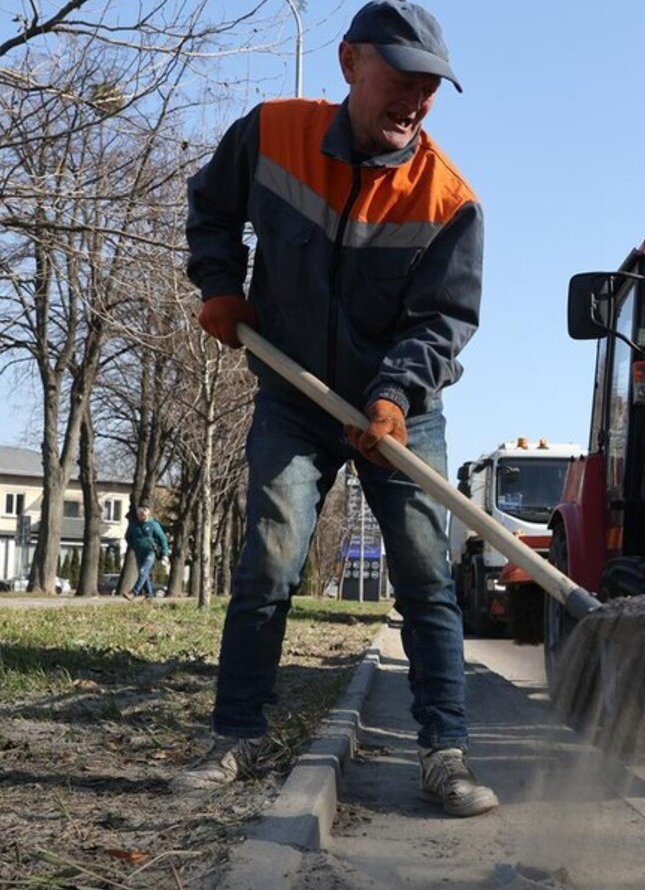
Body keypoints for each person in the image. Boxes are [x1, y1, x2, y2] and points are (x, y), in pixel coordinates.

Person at [177, 1, 493, 816]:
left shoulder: (448, 201)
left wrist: (390, 398)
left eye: (430, 88)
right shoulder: (272, 134)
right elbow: (213, 208)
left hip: (400, 412)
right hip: (296, 395)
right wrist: (219, 284)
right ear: (351, 63)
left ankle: (444, 751)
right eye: (402, 79)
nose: (415, 102)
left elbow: (442, 323)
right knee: (269, 564)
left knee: (426, 577)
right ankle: (237, 736)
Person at [124, 504, 169, 599]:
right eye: (140, 514)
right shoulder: (133, 525)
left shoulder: (153, 524)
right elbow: (128, 537)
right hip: (138, 553)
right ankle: (149, 596)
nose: (141, 515)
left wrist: (165, 554)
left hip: (150, 552)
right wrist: (134, 546)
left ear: (148, 513)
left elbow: (162, 539)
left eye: (143, 513)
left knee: (142, 571)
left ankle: (134, 592)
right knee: (144, 575)